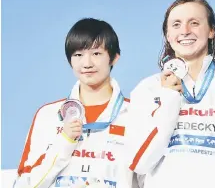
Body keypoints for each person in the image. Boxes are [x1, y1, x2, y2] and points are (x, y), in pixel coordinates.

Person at [124, 0, 215, 188]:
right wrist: (168, 101)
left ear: (211, 31)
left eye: (194, 23)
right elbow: (139, 163)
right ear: (168, 35)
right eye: (176, 24)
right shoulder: (148, 89)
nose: (185, 31)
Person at [14, 18, 138, 188]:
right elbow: (24, 185)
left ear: (114, 58)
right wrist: (64, 142)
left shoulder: (136, 114)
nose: (86, 64)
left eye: (96, 53)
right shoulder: (48, 115)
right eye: (78, 55)